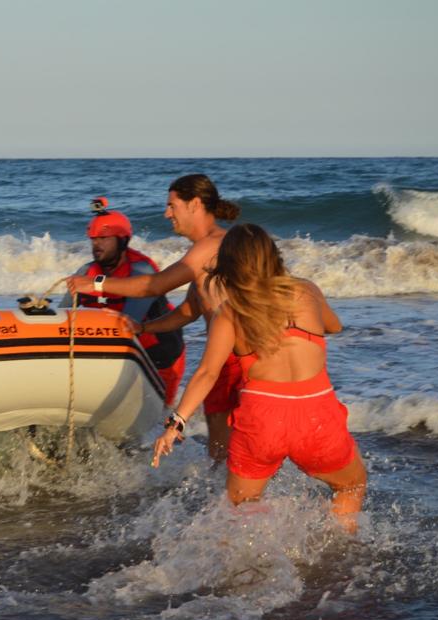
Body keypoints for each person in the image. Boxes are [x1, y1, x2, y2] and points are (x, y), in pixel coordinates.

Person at [152, 224, 367, 532]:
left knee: (240, 510)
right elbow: (334, 326)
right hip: (316, 415)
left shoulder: (231, 311)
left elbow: (207, 372)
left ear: (229, 265)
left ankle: (246, 569)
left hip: (262, 419)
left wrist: (177, 423)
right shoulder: (307, 290)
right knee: (350, 486)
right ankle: (336, 557)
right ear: (274, 256)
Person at [66, 175, 241, 461]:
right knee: (219, 454)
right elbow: (189, 310)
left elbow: (154, 285)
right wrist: (144, 327)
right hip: (220, 361)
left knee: (240, 449)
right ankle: (225, 503)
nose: (166, 214)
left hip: (238, 359)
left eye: (172, 206)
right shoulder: (205, 248)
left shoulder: (212, 245)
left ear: (195, 204)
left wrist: (95, 283)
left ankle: (247, 501)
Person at [61, 197, 186, 404]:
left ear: (122, 240)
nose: (96, 244)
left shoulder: (141, 269)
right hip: (119, 353)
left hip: (162, 357)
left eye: (103, 238)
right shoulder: (86, 271)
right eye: (93, 239)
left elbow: (128, 324)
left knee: (157, 421)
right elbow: (62, 317)